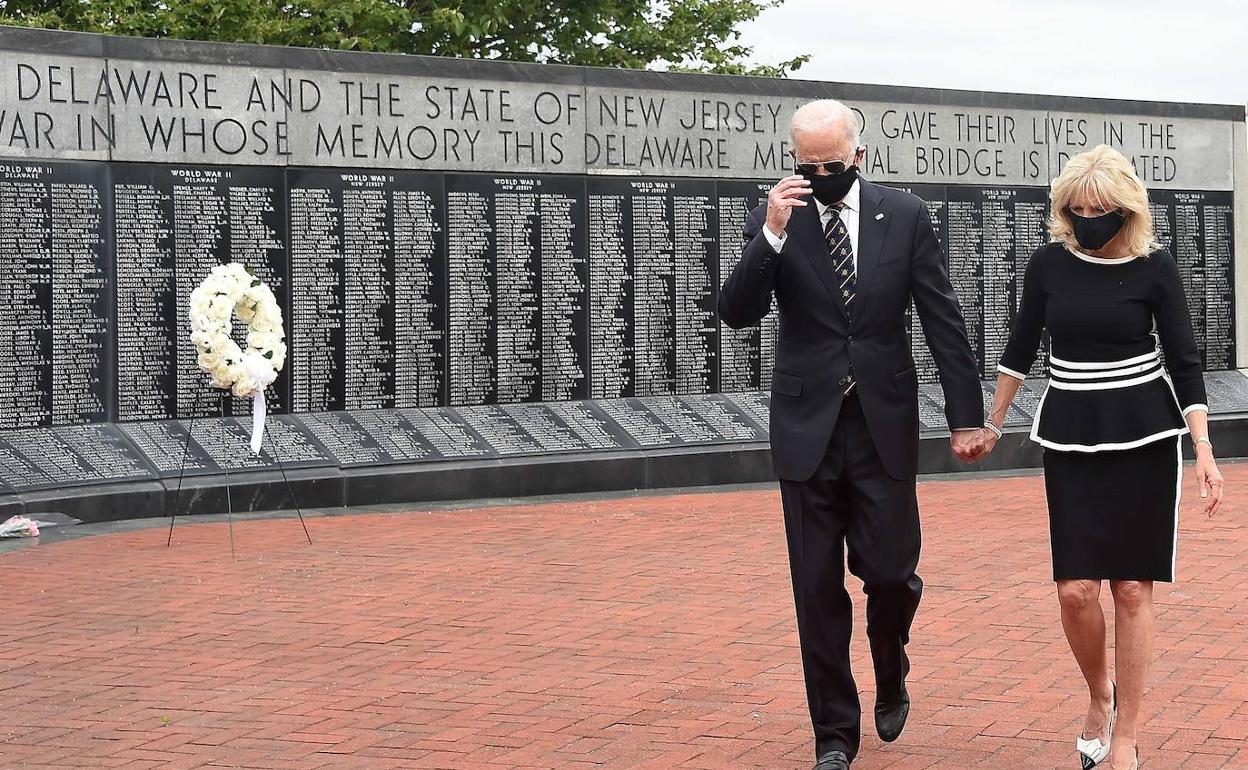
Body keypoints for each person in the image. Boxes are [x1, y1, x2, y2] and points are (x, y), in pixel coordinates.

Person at [718, 99, 989, 770]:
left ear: (859, 157)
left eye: (831, 165)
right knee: (815, 588)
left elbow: (941, 318)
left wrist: (964, 416)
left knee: (892, 574)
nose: (818, 175)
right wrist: (772, 234)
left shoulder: (904, 215)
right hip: (807, 428)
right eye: (805, 165)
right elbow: (736, 311)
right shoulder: (775, 215)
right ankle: (834, 737)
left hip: (881, 424)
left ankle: (891, 664)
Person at [976, 144, 1226, 770]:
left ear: (1125, 211)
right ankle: (1098, 693)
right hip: (1069, 438)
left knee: (1133, 590)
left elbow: (1186, 362)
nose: (1087, 218)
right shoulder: (1047, 265)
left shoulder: (1154, 267)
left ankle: (1128, 737)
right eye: (1076, 208)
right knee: (1076, 590)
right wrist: (991, 422)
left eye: (1099, 208)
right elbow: (1019, 350)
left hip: (1145, 438)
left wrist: (1205, 451)